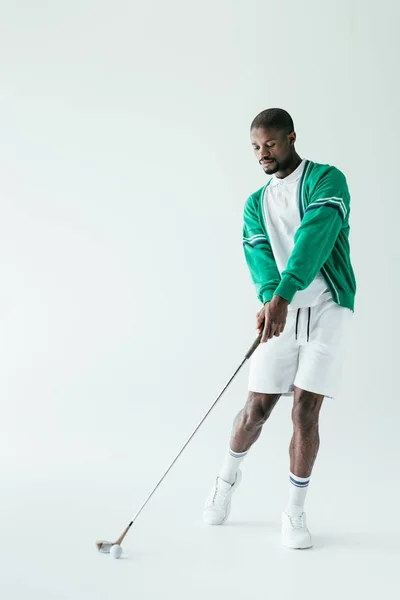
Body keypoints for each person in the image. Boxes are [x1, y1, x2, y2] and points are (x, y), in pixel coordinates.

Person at [202, 108, 356, 549]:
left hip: (327, 309)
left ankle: (294, 512)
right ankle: (225, 481)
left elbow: (315, 236)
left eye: (269, 144)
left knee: (305, 412)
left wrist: (283, 296)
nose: (262, 154)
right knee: (255, 412)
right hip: (282, 311)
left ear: (290, 138)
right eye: (255, 147)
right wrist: (272, 298)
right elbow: (260, 258)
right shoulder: (256, 203)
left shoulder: (327, 180)